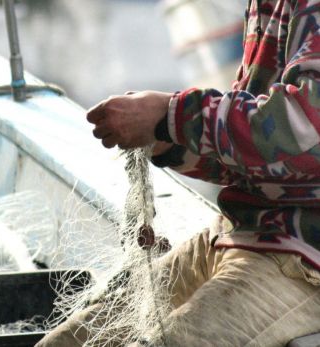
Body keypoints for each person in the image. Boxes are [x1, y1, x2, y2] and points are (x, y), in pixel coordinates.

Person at [37, 0, 320, 346]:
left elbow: (304, 130)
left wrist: (170, 115)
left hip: (306, 261)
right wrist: (164, 138)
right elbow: (256, 153)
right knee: (73, 341)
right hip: (244, 230)